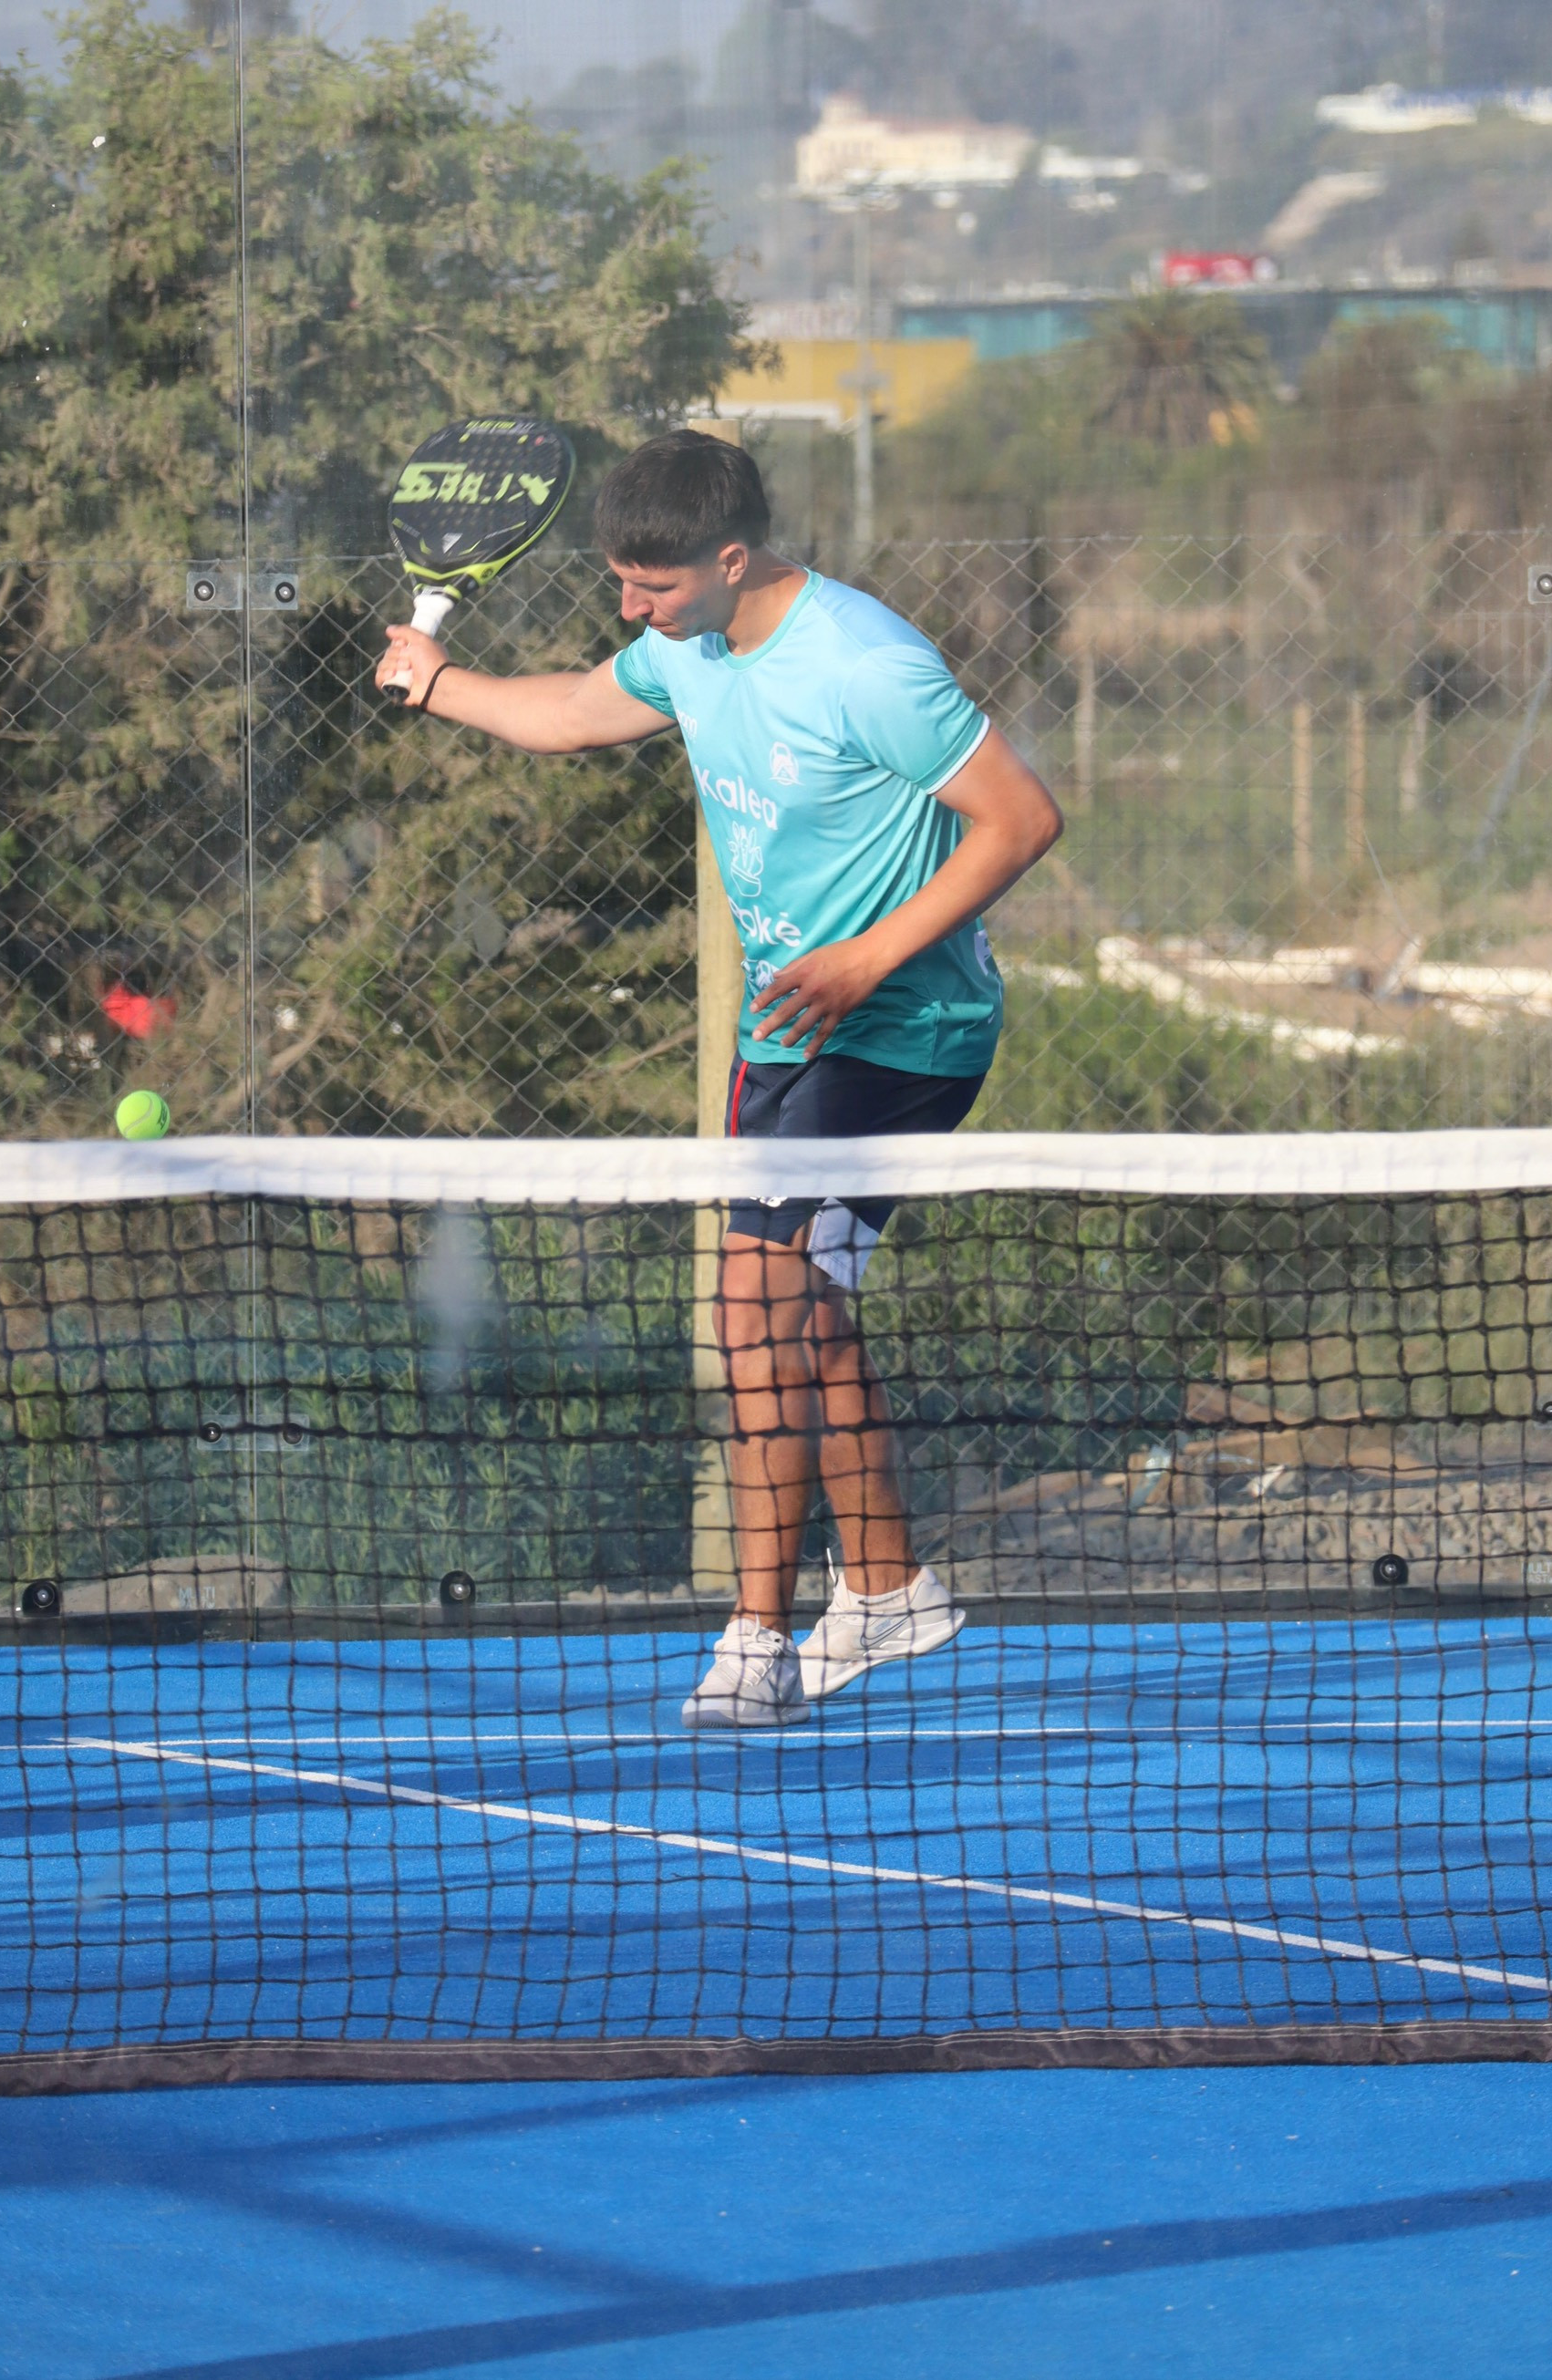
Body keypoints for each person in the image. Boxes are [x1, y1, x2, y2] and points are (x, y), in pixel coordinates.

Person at [378, 429, 1061, 1727]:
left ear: (732, 558)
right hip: (783, 1040)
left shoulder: (866, 666)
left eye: (653, 587)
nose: (630, 610)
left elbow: (1023, 819)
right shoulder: (684, 649)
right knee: (803, 1310)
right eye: (621, 584)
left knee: (753, 1310)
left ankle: (757, 1639)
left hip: (901, 1037)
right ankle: (888, 1586)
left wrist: (864, 959)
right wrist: (442, 681)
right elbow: (573, 713)